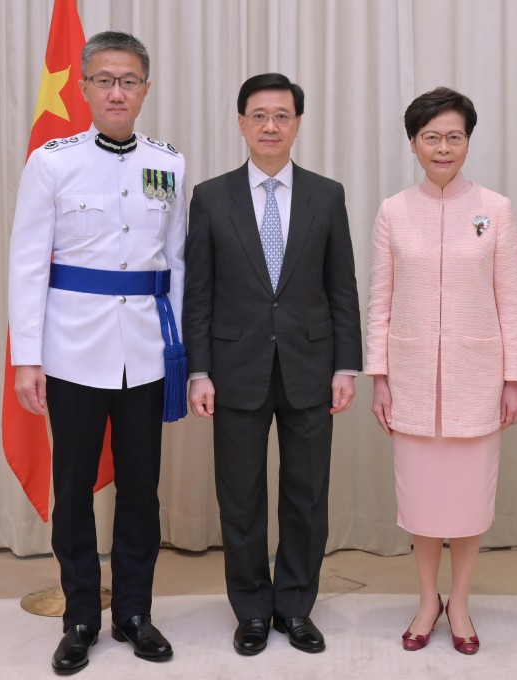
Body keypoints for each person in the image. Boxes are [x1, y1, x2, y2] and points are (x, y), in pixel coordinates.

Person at [8, 31, 183, 674]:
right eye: (105, 79)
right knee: (74, 490)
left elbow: (179, 264)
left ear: (145, 89)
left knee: (142, 489)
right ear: (83, 87)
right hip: (73, 352)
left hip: (144, 352)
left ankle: (134, 611)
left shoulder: (169, 163)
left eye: (129, 80)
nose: (117, 91)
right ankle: (81, 613)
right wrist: (28, 356)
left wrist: (180, 352)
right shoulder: (52, 162)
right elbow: (28, 264)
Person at [181, 73, 362, 656]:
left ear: (298, 124)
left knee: (308, 496)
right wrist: (199, 369)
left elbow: (343, 288)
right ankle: (252, 611)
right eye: (258, 115)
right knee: (241, 498)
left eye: (282, 115)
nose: (270, 126)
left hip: (311, 367)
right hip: (235, 369)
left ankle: (296, 607)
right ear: (240, 123)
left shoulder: (327, 194)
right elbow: (199, 293)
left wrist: (345, 367)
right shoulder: (211, 196)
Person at [365, 87, 517, 656]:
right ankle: (425, 598)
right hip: (410, 379)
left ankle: (458, 599)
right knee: (423, 503)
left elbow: (512, 298)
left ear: (467, 142)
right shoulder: (393, 211)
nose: (443, 147)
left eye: (453, 136)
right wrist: (379, 376)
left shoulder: (497, 209)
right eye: (431, 137)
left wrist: (513, 379)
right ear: (413, 143)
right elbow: (379, 300)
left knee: (467, 502)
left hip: (477, 380)